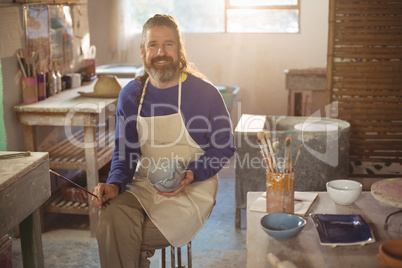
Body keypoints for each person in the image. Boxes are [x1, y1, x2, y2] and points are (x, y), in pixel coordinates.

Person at [91, 14, 236, 268]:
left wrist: (193, 172)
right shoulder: (131, 95)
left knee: (118, 234)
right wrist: (114, 184)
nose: (161, 52)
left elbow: (224, 145)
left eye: (168, 44)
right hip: (144, 184)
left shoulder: (204, 93)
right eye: (153, 45)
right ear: (142, 51)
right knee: (112, 215)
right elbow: (124, 154)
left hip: (192, 189)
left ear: (180, 50)